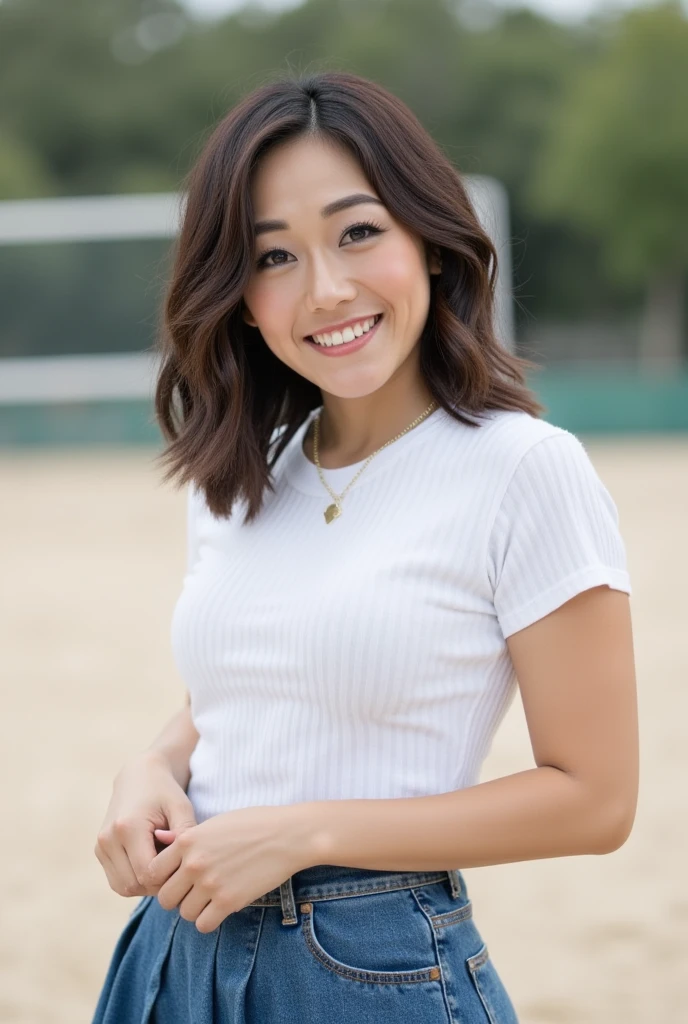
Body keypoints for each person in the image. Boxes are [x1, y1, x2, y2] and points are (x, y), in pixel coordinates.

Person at [91, 70, 638, 1024]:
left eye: (358, 232)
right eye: (274, 257)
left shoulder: (524, 471)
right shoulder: (244, 476)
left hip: (364, 964)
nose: (326, 288)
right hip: (172, 959)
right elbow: (253, 689)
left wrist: (305, 835)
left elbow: (594, 800)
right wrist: (150, 768)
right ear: (238, 293)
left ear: (428, 240)